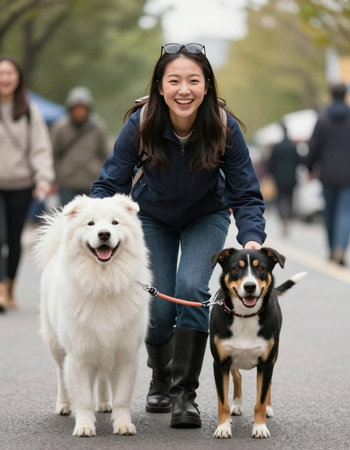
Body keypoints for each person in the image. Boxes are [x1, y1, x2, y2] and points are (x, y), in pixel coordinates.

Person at [90, 43, 266, 428]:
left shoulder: (223, 125)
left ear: (206, 86)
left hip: (207, 215)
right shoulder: (141, 123)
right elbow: (109, 182)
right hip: (152, 217)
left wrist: (251, 236)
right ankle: (160, 377)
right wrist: (93, 222)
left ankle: (185, 394)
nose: (183, 89)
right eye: (174, 81)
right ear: (159, 86)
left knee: (190, 289)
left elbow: (246, 193)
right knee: (158, 308)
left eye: (193, 81)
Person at [0, 56, 54, 312]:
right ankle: (0, 288)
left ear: (18, 78)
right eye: (1, 73)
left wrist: (43, 180)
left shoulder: (29, 111)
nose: (5, 78)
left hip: (21, 185)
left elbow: (40, 149)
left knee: (13, 239)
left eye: (9, 73)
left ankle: (9, 286)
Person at [306, 82, 350, 266]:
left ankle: (332, 249)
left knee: (330, 212)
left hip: (327, 173)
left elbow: (313, 147)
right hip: (348, 174)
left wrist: (310, 168)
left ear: (331, 95)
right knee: (345, 212)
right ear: (346, 94)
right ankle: (341, 248)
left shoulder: (322, 118)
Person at [51, 86, 109, 206]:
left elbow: (106, 153)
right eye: (76, 108)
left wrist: (105, 177)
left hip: (91, 181)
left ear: (88, 109)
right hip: (67, 182)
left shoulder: (98, 127)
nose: (79, 111)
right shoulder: (60, 127)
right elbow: (53, 153)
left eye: (82, 108)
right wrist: (54, 179)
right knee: (68, 218)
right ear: (70, 109)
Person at [267, 124, 300, 236]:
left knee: (280, 199)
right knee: (290, 199)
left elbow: (270, 163)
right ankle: (288, 220)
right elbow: (299, 161)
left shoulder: (277, 147)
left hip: (279, 178)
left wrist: (270, 174)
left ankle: (283, 220)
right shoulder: (293, 146)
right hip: (291, 178)